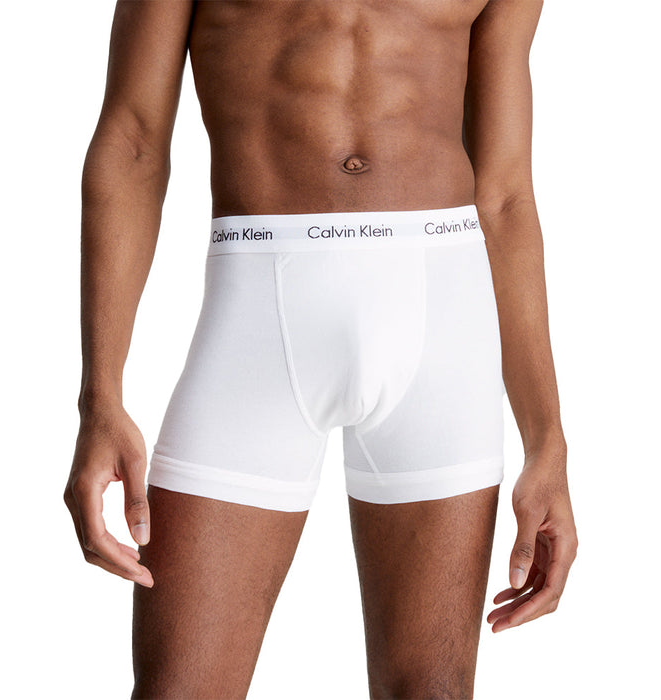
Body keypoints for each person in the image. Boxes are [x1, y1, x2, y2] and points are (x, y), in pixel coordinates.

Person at [63, 1, 578, 698]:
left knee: (432, 691)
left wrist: (548, 441)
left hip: (441, 320)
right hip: (255, 318)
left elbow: (507, 194)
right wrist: (100, 395)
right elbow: (132, 139)